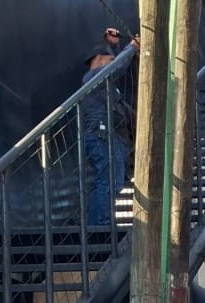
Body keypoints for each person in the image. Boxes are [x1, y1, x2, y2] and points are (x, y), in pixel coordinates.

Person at [81, 34, 136, 226]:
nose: (113, 62)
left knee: (113, 181)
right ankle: (100, 223)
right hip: (102, 135)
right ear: (99, 60)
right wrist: (132, 47)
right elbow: (118, 66)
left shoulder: (100, 82)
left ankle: (100, 220)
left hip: (110, 137)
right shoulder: (94, 77)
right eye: (109, 60)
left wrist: (114, 44)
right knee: (108, 181)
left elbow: (114, 62)